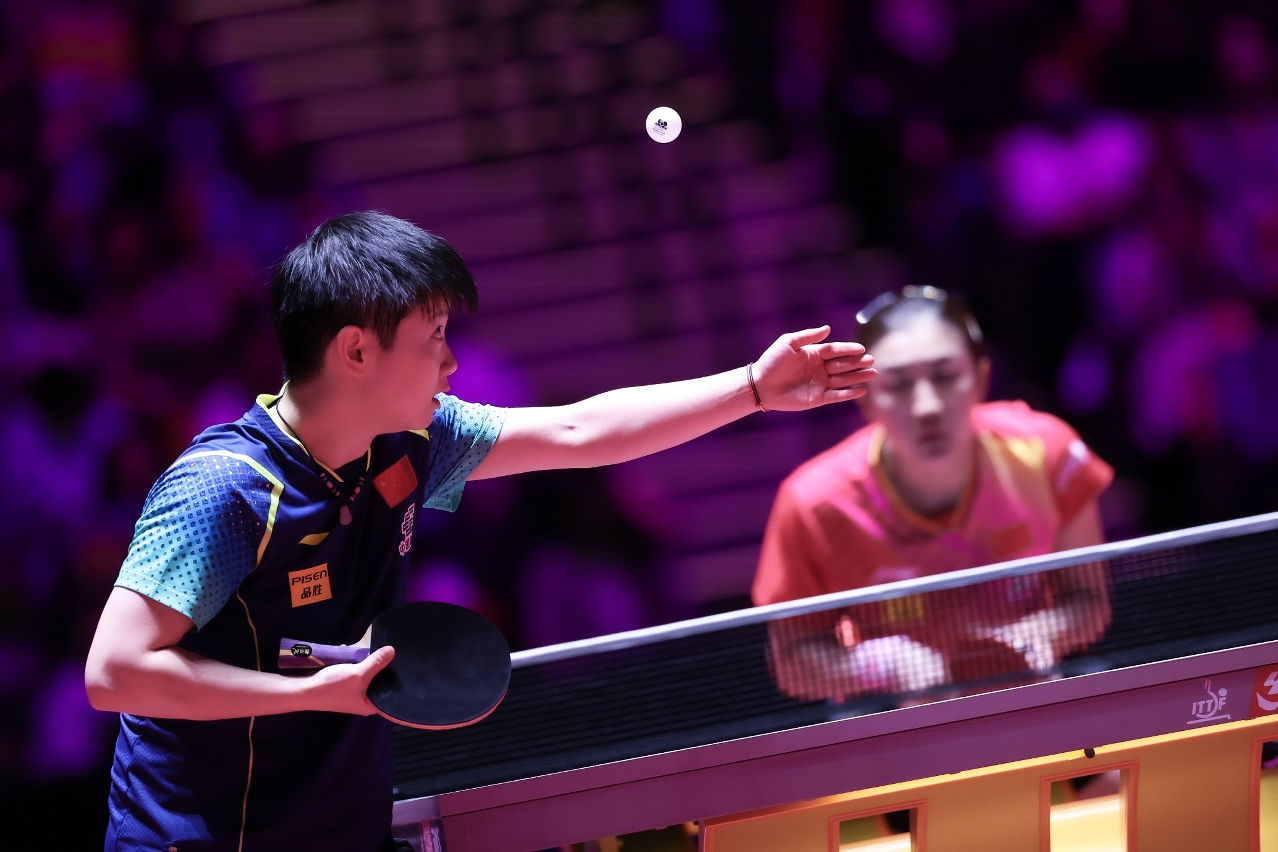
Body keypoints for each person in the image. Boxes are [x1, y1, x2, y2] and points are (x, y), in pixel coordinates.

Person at [84, 211, 877, 852]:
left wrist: (751, 388)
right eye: (433, 337)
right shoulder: (226, 489)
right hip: (203, 834)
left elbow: (575, 431)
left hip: (336, 826)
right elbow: (115, 671)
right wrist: (306, 695)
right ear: (356, 349)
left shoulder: (410, 444)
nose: (452, 364)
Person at [753, 286, 1112, 702]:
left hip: (1036, 698)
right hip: (893, 721)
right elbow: (793, 662)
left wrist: (1024, 643)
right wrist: (885, 665)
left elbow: (1088, 601)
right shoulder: (812, 505)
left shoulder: (1047, 453)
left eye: (945, 376)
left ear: (980, 379)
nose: (927, 406)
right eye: (897, 384)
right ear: (864, 399)